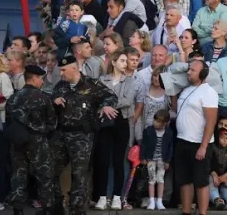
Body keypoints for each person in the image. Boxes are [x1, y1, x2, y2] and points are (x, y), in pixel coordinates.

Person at [50, 55, 118, 215]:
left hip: (82, 136)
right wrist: (55, 100)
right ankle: (56, 205)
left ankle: (77, 209)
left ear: (74, 68)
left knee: (79, 174)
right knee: (51, 170)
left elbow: (111, 96)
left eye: (64, 70)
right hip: (61, 134)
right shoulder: (60, 86)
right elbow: (51, 100)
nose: (61, 74)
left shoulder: (92, 84)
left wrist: (106, 106)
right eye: (60, 70)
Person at [4, 64, 57, 215]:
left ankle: (18, 209)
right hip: (38, 141)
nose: (42, 82)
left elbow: (8, 120)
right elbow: (52, 123)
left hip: (17, 141)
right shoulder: (43, 98)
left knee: (19, 174)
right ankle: (47, 208)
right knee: (44, 175)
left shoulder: (14, 98)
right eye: (41, 78)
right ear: (34, 78)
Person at [173, 59, 219, 215]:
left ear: (202, 73)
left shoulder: (208, 92)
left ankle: (202, 213)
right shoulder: (186, 89)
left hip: (198, 143)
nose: (189, 72)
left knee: (200, 181)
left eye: (192, 70)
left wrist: (204, 146)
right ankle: (186, 211)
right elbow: (176, 109)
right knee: (184, 179)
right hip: (182, 140)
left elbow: (211, 122)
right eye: (189, 69)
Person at [94, 51, 139, 210]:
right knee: (103, 160)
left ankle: (117, 196)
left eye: (126, 61)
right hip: (105, 123)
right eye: (122, 60)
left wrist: (107, 104)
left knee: (119, 161)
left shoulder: (130, 81)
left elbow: (128, 100)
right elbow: (96, 98)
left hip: (122, 121)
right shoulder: (102, 80)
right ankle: (102, 196)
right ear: (113, 62)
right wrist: (103, 105)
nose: (125, 63)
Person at [140, 110, 174, 211]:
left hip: (162, 160)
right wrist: (143, 158)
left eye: (158, 121)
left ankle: (159, 200)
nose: (155, 122)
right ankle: (151, 201)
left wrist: (168, 161)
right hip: (151, 159)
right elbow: (143, 145)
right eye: (155, 120)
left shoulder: (169, 132)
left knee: (161, 179)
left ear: (165, 123)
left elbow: (170, 148)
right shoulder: (148, 130)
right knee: (151, 180)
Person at [208, 127, 227, 210]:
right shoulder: (212, 148)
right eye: (222, 138)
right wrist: (214, 175)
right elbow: (211, 163)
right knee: (211, 180)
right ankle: (217, 200)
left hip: (226, 174)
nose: (225, 140)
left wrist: (226, 175)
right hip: (214, 174)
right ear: (217, 138)